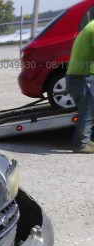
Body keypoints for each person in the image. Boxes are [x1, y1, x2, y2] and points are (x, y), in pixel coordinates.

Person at [66, 19, 94, 153]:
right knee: (88, 110)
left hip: (79, 76)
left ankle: (85, 141)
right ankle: (81, 144)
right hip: (83, 77)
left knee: (88, 110)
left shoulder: (90, 26)